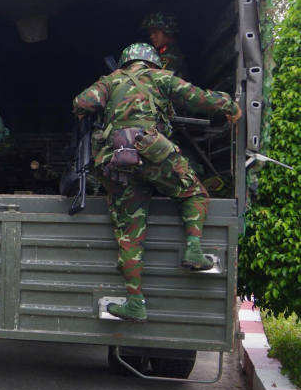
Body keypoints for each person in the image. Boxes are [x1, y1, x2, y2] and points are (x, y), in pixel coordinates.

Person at [72, 43, 241, 322]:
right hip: (155, 153)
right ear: (152, 63)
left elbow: (80, 102)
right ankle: (194, 250)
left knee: (129, 235)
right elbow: (198, 98)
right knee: (194, 193)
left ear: (125, 63)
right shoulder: (161, 77)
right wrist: (229, 105)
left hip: (118, 162)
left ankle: (135, 303)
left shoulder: (110, 81)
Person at [141, 12, 188, 80]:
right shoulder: (163, 51)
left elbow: (157, 80)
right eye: (150, 33)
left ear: (168, 32)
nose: (152, 36)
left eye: (155, 32)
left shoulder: (172, 55)